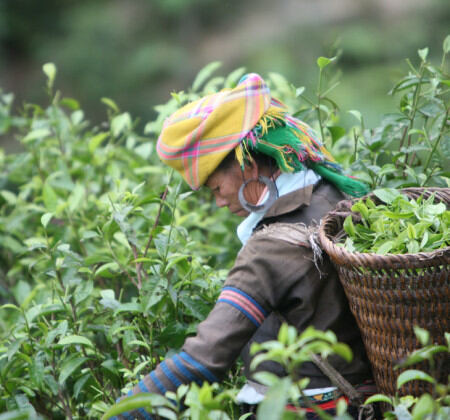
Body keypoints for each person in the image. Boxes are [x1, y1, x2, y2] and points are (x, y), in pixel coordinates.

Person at [112, 73, 374, 419]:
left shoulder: (270, 247)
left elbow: (204, 358)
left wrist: (121, 412)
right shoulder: (334, 196)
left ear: (248, 166)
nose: (219, 202)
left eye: (216, 188)